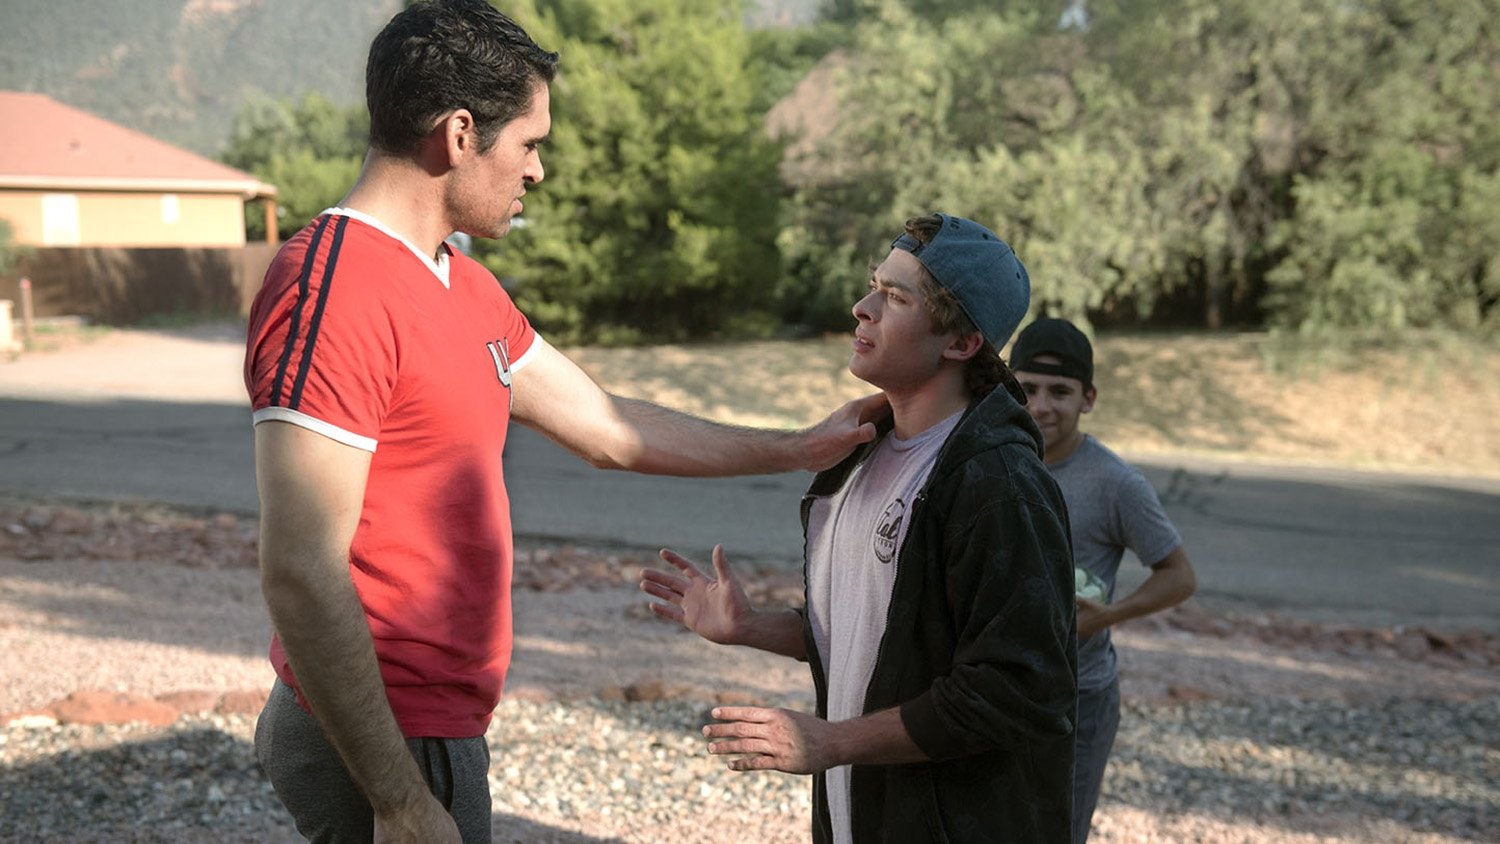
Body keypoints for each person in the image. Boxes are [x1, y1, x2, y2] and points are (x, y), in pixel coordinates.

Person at [242, 2, 882, 842]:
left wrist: (799, 448)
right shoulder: (334, 292)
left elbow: (607, 427)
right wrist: (398, 800)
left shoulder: (461, 283)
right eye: (529, 143)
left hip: (435, 722)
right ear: (460, 134)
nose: (538, 170)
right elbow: (298, 568)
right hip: (383, 729)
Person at [640, 213, 1078, 843]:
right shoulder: (857, 456)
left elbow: (1019, 688)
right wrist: (752, 627)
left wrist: (832, 741)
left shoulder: (999, 484)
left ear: (962, 343)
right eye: (875, 285)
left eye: (895, 297)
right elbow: (886, 632)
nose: (862, 307)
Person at [1008, 317, 1198, 844]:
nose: (1041, 406)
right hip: (988, 689)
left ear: (1087, 398)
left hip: (1077, 700)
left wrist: (1107, 617)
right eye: (1028, 388)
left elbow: (1179, 576)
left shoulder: (1116, 484)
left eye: (1060, 392)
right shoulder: (991, 460)